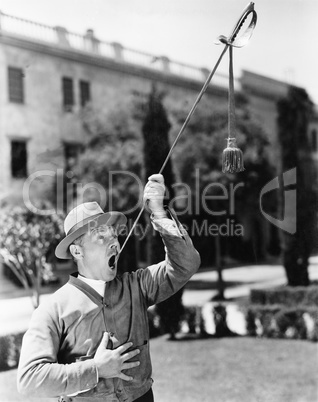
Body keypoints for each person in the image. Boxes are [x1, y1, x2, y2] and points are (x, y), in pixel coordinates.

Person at [17, 174, 200, 402]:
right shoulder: (52, 310)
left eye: (113, 233)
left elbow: (186, 264)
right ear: (77, 251)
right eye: (101, 234)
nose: (114, 240)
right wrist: (95, 369)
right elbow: (29, 380)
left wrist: (160, 212)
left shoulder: (138, 286)